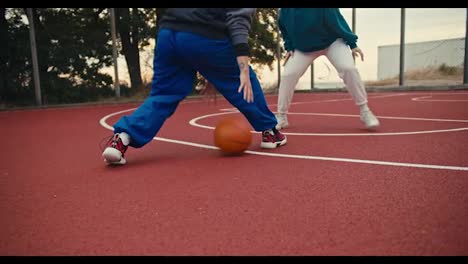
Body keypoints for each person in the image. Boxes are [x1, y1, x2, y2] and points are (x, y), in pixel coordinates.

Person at [102, 8, 287, 165]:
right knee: (242, 81)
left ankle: (122, 138)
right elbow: (238, 18)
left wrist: (208, 67)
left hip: (169, 33)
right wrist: (242, 66)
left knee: (163, 94)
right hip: (204, 36)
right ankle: (269, 131)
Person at [276, 8, 380, 130]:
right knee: (288, 75)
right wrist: (289, 47)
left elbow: (338, 21)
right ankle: (281, 116)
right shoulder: (284, 11)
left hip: (332, 42)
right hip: (303, 48)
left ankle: (365, 111)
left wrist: (352, 44)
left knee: (348, 68)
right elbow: (284, 29)